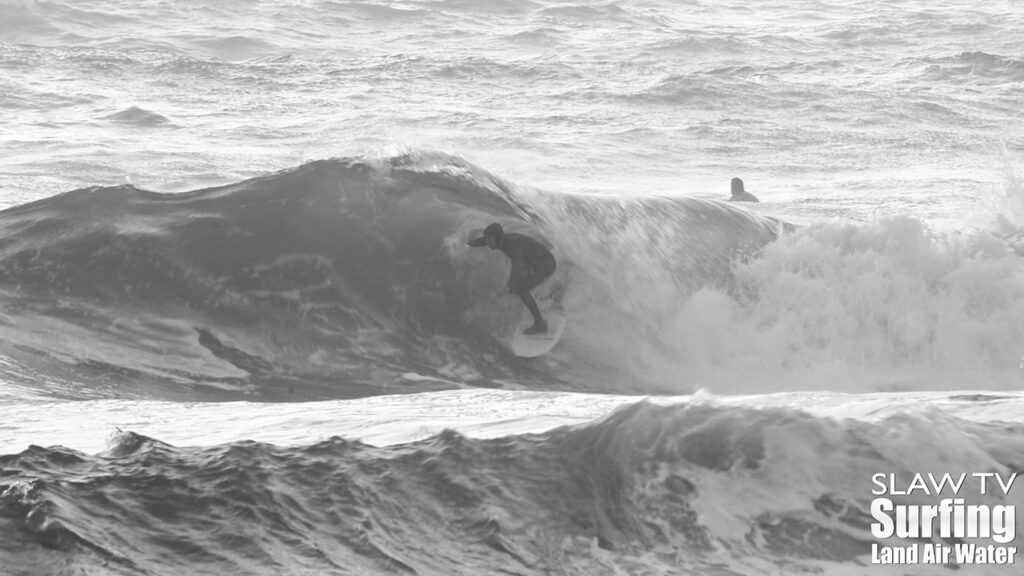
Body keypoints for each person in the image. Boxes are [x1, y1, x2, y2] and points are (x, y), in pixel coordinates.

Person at [468, 223, 556, 334]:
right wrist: (469, 244)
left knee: (521, 290)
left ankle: (540, 324)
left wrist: (510, 286)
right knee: (520, 287)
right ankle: (548, 296)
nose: (487, 242)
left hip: (546, 264)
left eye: (490, 239)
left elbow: (516, 267)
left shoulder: (514, 246)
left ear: (497, 238)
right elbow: (483, 241)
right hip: (534, 262)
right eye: (487, 239)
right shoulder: (500, 240)